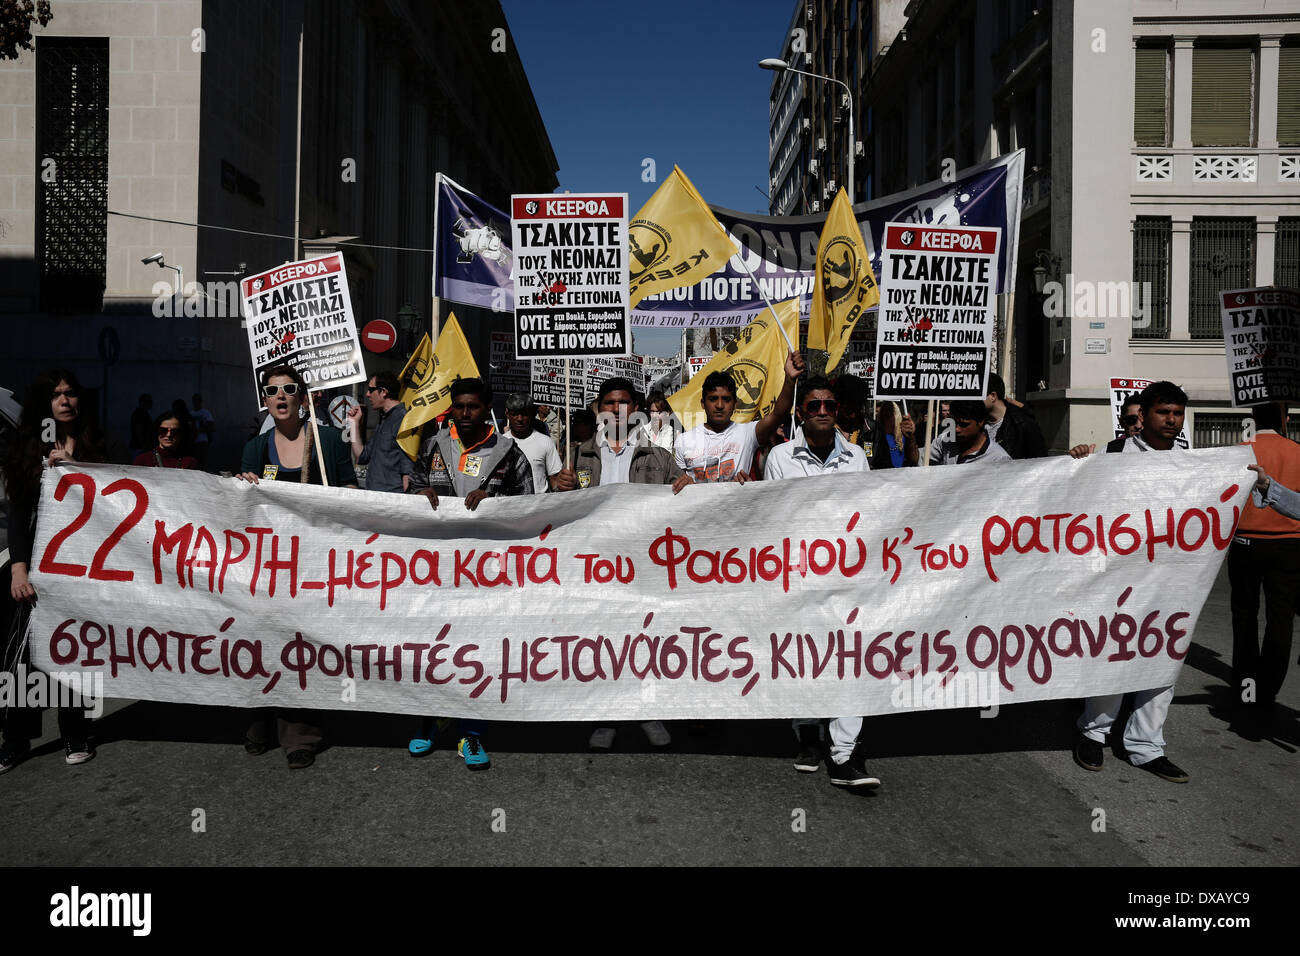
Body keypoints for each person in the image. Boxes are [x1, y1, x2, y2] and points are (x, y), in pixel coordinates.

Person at [553, 377, 689, 750]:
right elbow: (556, 509)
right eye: (610, 402)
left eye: (625, 402)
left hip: (642, 565)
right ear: (599, 408)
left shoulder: (658, 457)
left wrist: (685, 486)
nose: (617, 409)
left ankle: (647, 710)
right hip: (594, 564)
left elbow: (687, 500)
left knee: (644, 638)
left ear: (637, 409)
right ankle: (606, 717)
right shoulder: (578, 454)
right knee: (601, 640)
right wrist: (558, 487)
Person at [406, 377, 533, 771]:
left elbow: (530, 508)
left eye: (472, 407)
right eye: (458, 406)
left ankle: (471, 732)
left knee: (477, 652)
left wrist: (496, 503)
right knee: (431, 647)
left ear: (486, 409)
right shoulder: (432, 446)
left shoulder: (510, 453)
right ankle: (429, 721)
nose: (464, 414)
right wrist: (418, 495)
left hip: (487, 575)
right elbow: (411, 490)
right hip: (437, 571)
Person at [1067, 380, 1190, 783]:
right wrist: (1078, 461)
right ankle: (1094, 733)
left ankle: (1146, 745)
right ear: (1143, 415)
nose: (1171, 420)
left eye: (1177, 413)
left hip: (1171, 577)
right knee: (1113, 652)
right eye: (1163, 412)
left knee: (1162, 657)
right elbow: (1077, 498)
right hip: (1120, 576)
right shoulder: (1113, 453)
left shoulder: (1194, 462)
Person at [236, 364, 357, 769]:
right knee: (263, 641)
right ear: (265, 401)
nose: (281, 396)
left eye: (290, 389)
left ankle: (300, 732)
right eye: (273, 391)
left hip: (313, 565)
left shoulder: (325, 441)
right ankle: (259, 721)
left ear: (304, 397)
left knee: (301, 644)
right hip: (268, 565)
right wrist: (243, 484)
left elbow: (352, 495)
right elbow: (241, 507)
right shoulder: (256, 447)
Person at [764, 378, 880, 789]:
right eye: (814, 406)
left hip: (846, 572)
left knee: (850, 655)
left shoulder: (856, 458)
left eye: (829, 405)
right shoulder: (780, 457)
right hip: (798, 573)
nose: (823, 411)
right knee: (804, 655)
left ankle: (846, 753)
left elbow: (865, 510)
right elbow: (781, 514)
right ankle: (809, 735)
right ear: (801, 413)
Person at [1, 368, 105, 773]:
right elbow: (19, 514)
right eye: (56, 395)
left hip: (81, 567)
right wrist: (18, 571)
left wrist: (76, 467)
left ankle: (75, 730)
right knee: (19, 655)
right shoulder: (28, 450)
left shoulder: (96, 443)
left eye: (71, 393)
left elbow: (116, 495)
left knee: (74, 648)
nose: (65, 401)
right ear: (44, 404)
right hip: (36, 567)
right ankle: (15, 737)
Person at [1227, 402, 1300, 735]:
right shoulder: (1297, 451)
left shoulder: (1239, 452)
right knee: (1280, 621)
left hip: (1246, 543)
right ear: (1284, 418)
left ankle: (1246, 693)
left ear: (1253, 419)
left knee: (1244, 617)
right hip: (1288, 544)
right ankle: (1266, 695)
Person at [675, 351, 805, 483]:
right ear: (703, 404)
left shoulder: (747, 434)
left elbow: (778, 414)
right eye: (713, 399)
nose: (719, 405)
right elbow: (678, 484)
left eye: (726, 399)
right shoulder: (684, 441)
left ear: (735, 404)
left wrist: (790, 379)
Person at [347, 371, 412, 494]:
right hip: (376, 497)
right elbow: (362, 456)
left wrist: (406, 502)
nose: (367, 394)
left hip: (393, 499)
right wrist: (354, 423)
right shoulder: (384, 420)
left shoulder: (403, 419)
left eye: (371, 390)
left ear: (383, 392)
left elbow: (407, 468)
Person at [504, 392, 562, 493]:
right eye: (515, 414)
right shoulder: (501, 443)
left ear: (531, 415)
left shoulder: (545, 442)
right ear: (507, 414)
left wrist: (565, 485)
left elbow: (555, 481)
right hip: (509, 506)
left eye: (524, 414)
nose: (520, 419)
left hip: (539, 506)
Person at [928, 400, 1012, 465]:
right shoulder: (945, 440)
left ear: (980, 422)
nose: (957, 429)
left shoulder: (998, 459)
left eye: (964, 424)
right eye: (954, 423)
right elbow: (921, 461)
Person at [984, 373, 1045, 459]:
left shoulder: (1022, 423)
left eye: (978, 395)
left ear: (993, 396)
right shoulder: (975, 423)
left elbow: (1039, 461)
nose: (973, 399)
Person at [132, 411, 198, 469]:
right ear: (156, 431)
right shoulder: (142, 460)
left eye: (174, 431)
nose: (168, 435)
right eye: (163, 430)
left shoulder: (189, 462)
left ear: (182, 434)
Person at [870, 401, 919, 469]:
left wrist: (910, 438)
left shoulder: (904, 435)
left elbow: (914, 460)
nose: (887, 414)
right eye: (884, 411)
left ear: (897, 414)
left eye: (890, 411)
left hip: (901, 476)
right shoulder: (874, 435)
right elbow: (870, 460)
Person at [833, 373, 874, 455]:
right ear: (838, 405)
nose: (853, 415)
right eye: (849, 410)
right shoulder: (823, 429)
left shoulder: (874, 431)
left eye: (858, 409)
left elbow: (885, 466)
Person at [641, 390, 677, 454]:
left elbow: (668, 455)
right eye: (652, 411)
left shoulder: (671, 432)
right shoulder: (643, 431)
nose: (655, 415)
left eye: (658, 412)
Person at [191, 393, 215, 469]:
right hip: (193, 442)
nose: (196, 402)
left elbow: (211, 426)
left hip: (202, 442)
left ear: (201, 401)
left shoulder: (205, 413)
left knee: (202, 463)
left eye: (198, 400)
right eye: (195, 400)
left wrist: (201, 429)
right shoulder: (191, 413)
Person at [129, 393, 153, 460]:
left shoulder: (145, 414)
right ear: (141, 402)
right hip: (139, 448)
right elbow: (139, 431)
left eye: (150, 401)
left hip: (140, 448)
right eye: (147, 401)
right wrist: (144, 447)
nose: (150, 403)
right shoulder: (140, 414)